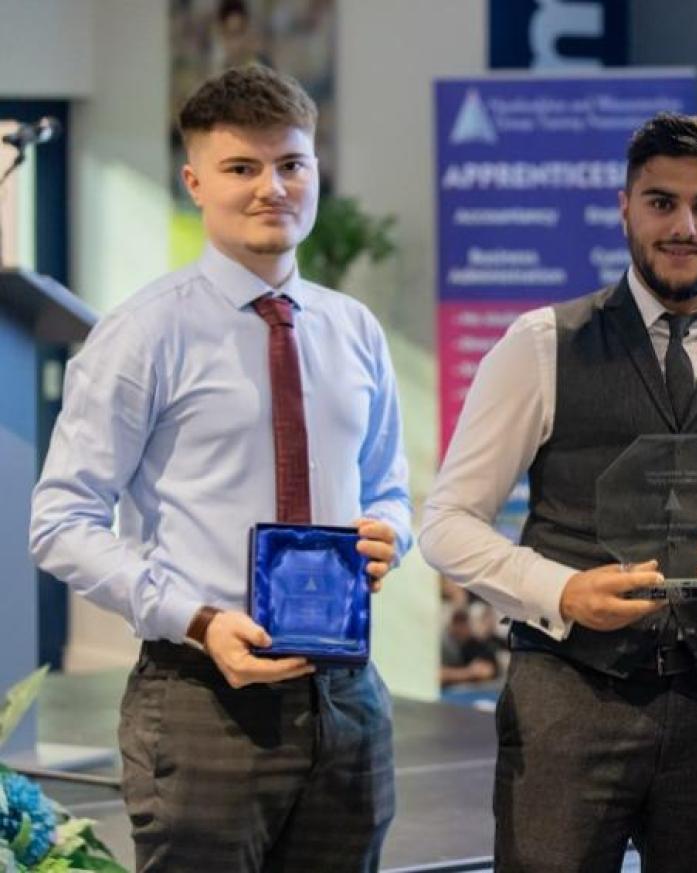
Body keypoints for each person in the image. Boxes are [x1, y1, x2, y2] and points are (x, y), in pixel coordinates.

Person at [421, 113, 697, 872]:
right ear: (624, 206)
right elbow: (448, 522)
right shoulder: (539, 344)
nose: (684, 226)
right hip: (569, 705)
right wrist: (562, 591)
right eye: (661, 202)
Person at [29, 64, 410, 873]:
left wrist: (392, 532)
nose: (272, 187)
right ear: (196, 181)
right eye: (243, 168)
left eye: (292, 164)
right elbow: (60, 523)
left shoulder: (354, 331)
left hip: (347, 696)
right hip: (202, 695)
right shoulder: (143, 334)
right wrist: (199, 619)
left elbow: (388, 485)